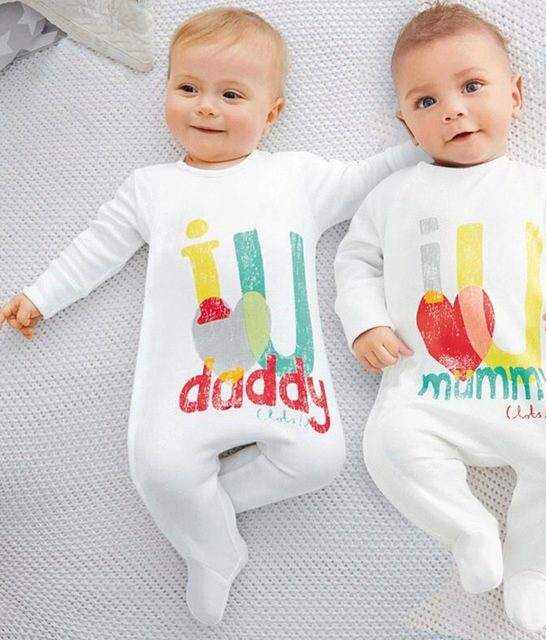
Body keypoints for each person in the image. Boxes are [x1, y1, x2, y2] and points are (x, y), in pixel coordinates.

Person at [0, 7, 423, 626]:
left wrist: (427, 140)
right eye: (188, 88)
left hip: (282, 377)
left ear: (271, 114)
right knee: (160, 468)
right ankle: (214, 548)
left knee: (318, 461)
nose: (206, 107)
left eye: (231, 95)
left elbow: (368, 178)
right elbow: (97, 249)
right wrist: (41, 295)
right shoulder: (150, 187)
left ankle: (207, 514)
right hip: (185, 380)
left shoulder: (295, 177)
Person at [334, 2, 546, 633]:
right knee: (389, 448)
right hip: (427, 389)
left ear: (514, 95)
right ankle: (469, 530)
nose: (453, 110)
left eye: (471, 86)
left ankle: (531, 566)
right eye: (426, 101)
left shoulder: (538, 188)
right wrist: (366, 322)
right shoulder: (392, 196)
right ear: (407, 124)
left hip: (527, 388)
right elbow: (354, 264)